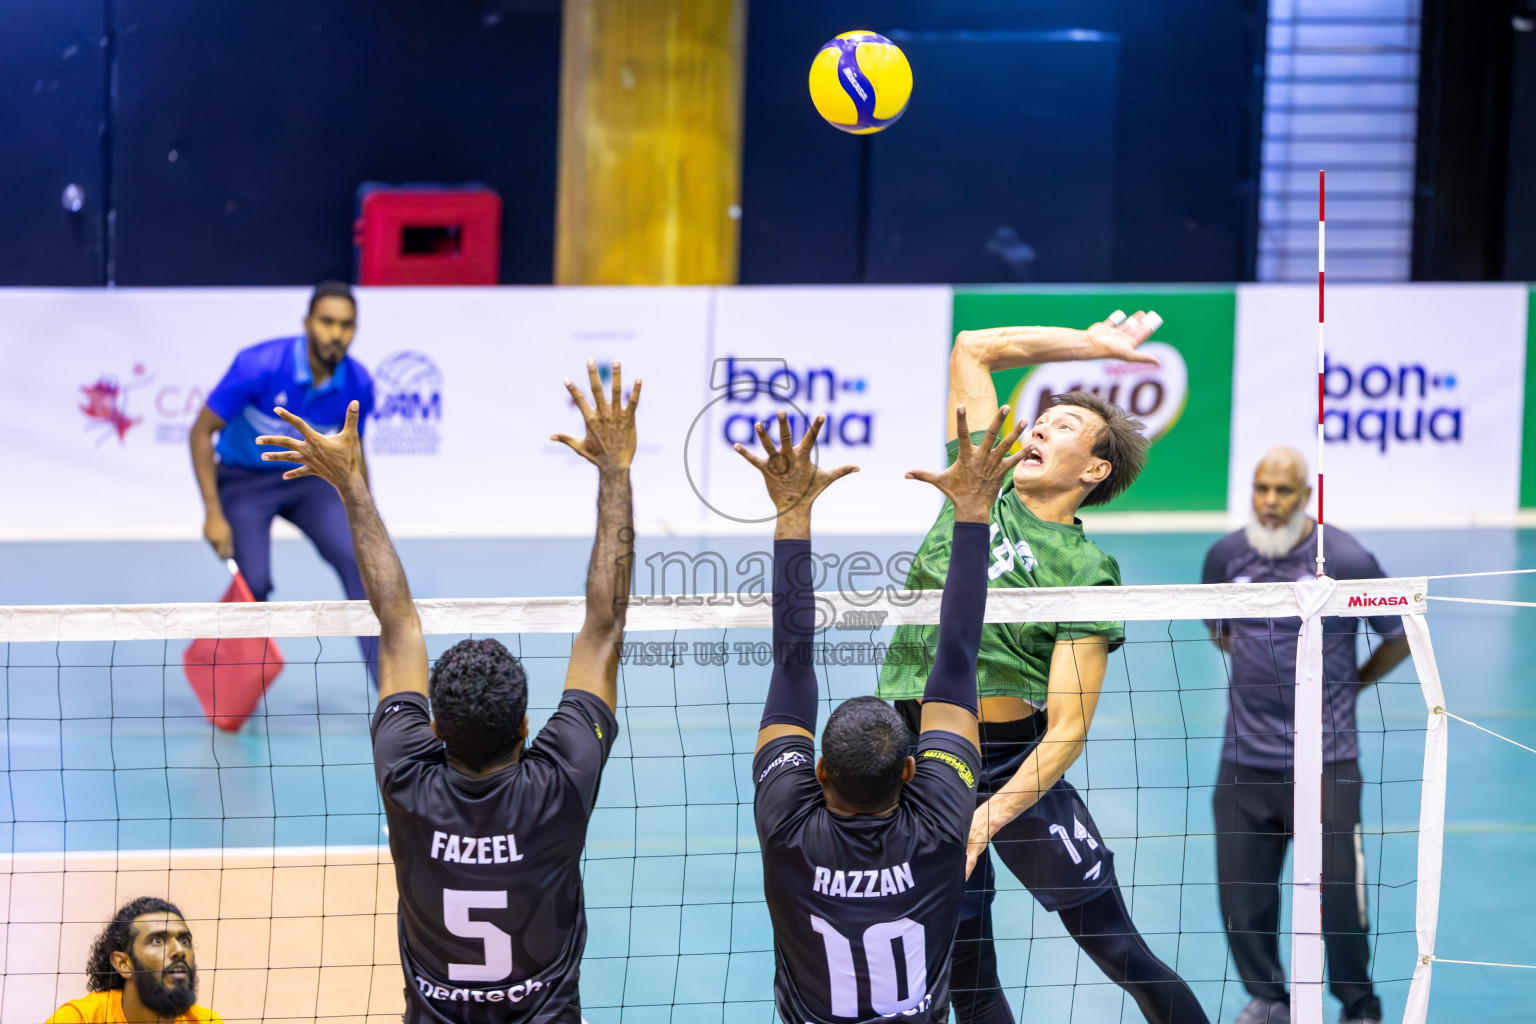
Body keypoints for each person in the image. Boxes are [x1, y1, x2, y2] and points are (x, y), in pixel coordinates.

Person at [255, 360, 638, 1023]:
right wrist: (615, 473)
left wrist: (352, 489)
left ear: (433, 728)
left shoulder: (407, 775)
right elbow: (603, 628)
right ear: (526, 727)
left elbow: (397, 626)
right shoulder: (561, 782)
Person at [876, 311, 1210, 1024]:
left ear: (1095, 469)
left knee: (1120, 950)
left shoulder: (1087, 569)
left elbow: (1067, 728)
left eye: (1061, 428)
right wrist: (1089, 347)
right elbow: (977, 348)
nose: (1036, 432)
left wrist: (987, 819)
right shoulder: (978, 484)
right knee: (965, 973)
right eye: (1040, 421)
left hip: (1008, 768)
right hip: (921, 762)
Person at [744, 404, 1022, 1024]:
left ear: (818, 772)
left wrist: (791, 511)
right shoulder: (945, 822)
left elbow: (791, 669)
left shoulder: (787, 827)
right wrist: (974, 513)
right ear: (908, 772)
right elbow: (958, 655)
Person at [1202, 447, 1411, 1024]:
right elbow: (1217, 626)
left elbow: (1398, 633)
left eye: (1283, 491)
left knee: (1341, 898)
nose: (1270, 503)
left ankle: (1358, 1004)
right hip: (1244, 759)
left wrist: (1352, 685)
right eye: (1261, 489)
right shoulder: (1226, 555)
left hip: (1327, 760)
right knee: (1242, 897)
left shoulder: (1344, 555)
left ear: (1305, 495)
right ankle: (1270, 996)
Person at [189, 280, 378, 683]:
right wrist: (212, 513)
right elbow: (200, 432)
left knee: (360, 561)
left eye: (346, 325)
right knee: (252, 583)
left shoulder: (358, 383)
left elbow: (355, 453)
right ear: (308, 322)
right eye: (327, 322)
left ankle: (391, 688)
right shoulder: (256, 366)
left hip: (312, 482)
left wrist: (367, 518)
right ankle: (230, 686)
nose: (336, 333)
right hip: (244, 482)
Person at [47, 896, 221, 1023]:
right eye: (158, 940)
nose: (179, 950)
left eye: (184, 941)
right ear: (123, 963)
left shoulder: (206, 1021)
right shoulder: (79, 1018)